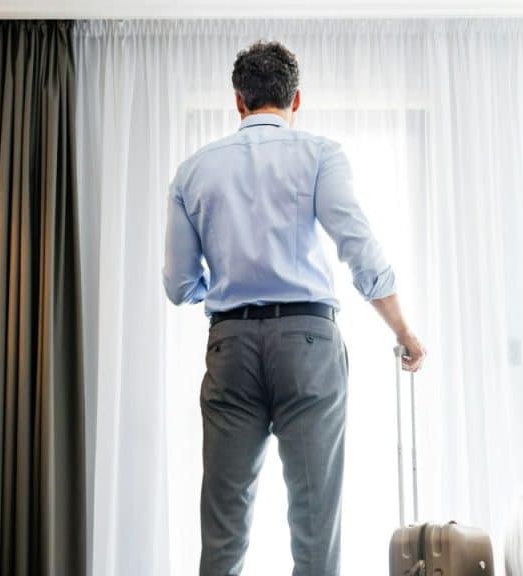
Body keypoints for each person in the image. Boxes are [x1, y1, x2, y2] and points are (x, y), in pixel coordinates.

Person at [162, 41, 425, 576]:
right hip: (308, 342)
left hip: (231, 344)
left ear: (238, 101)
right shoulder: (320, 155)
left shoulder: (193, 171)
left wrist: (222, 287)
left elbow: (179, 283)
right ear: (296, 99)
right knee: (314, 523)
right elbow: (358, 247)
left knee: (224, 527)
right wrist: (403, 330)